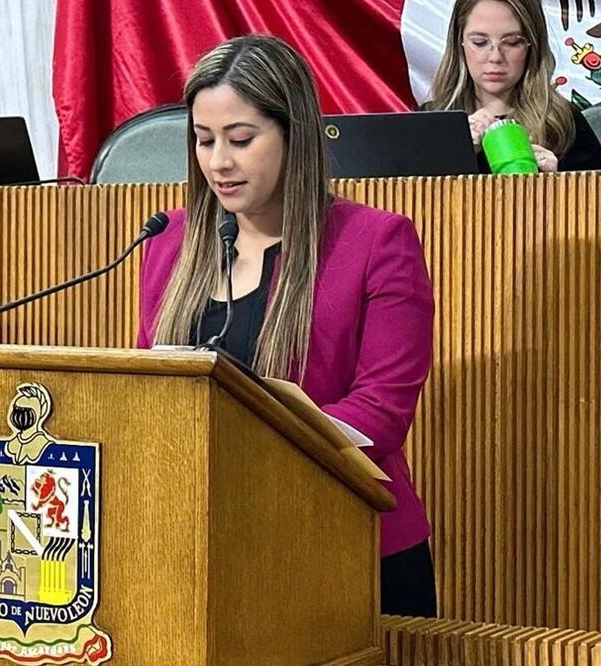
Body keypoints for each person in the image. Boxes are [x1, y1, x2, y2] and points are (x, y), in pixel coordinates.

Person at [136, 34, 437, 617]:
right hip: (205, 549)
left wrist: (243, 453)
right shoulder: (169, 241)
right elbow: (153, 390)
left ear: (294, 134)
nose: (218, 163)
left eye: (241, 139)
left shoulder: (377, 242)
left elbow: (380, 412)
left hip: (346, 547)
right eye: (204, 140)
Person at [427, 0, 601, 173]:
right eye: (479, 42)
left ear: (532, 46)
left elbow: (598, 192)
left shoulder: (565, 124)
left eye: (512, 42)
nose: (495, 57)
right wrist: (457, 153)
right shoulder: (430, 121)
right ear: (460, 43)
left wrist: (554, 183)